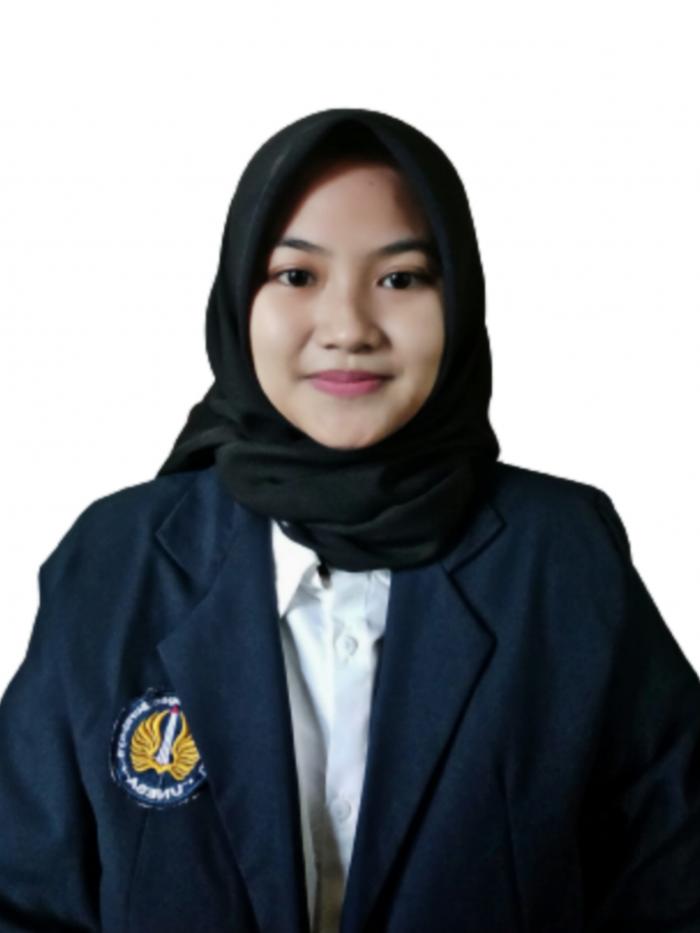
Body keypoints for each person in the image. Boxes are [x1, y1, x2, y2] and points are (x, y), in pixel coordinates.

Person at [0, 107, 698, 933]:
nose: (348, 329)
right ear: (237, 297)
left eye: (400, 278)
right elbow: (22, 898)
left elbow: (674, 884)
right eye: (297, 275)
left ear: (461, 297)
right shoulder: (113, 561)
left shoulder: (564, 557)